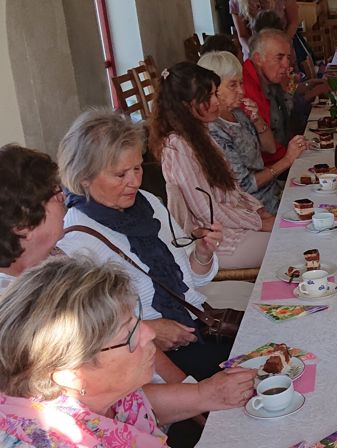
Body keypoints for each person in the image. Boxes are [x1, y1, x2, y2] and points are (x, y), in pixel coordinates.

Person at [1, 143, 254, 447]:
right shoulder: (24, 307)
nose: (64, 201)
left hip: (147, 411)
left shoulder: (58, 261)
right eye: (54, 195)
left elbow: (131, 356)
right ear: (22, 224)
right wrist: (200, 396)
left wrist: (200, 393)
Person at [0, 257, 256, 447]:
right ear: (69, 373)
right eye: (128, 334)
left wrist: (207, 394)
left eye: (137, 321)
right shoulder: (50, 439)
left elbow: (131, 407)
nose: (151, 335)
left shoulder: (97, 392)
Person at [57, 110, 234, 382]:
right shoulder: (76, 239)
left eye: (137, 168)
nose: (134, 182)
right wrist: (148, 328)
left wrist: (202, 253)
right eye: (120, 174)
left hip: (200, 326)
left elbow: (191, 282)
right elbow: (89, 332)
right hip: (151, 357)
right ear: (84, 178)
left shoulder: (148, 203)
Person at [149, 62, 278, 270]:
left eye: (215, 93)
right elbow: (206, 212)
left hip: (234, 226)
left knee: (294, 230)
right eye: (208, 97)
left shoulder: (200, 133)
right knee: (289, 244)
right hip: (215, 242)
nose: (216, 101)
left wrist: (259, 211)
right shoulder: (177, 147)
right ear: (186, 105)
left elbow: (233, 189)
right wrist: (259, 223)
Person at [199, 51, 303, 214]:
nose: (241, 91)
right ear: (212, 89)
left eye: (241, 83)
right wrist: (288, 160)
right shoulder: (214, 130)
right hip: (255, 207)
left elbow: (270, 148)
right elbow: (244, 185)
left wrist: (257, 120)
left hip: (273, 192)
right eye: (233, 85)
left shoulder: (237, 113)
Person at [243, 29, 320, 171]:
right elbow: (269, 150)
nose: (287, 65)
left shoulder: (269, 77)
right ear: (258, 58)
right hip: (268, 172)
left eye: (288, 57)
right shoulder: (246, 87)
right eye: (279, 58)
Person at [0, 144, 64, 291]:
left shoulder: (55, 259)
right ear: (22, 223)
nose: (64, 197)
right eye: (55, 194)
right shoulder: (10, 303)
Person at [230, 0, 301, 60]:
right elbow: (243, 35)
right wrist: (255, 52)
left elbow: (293, 22)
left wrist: (281, 45)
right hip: (254, 53)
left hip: (282, 50)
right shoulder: (236, 2)